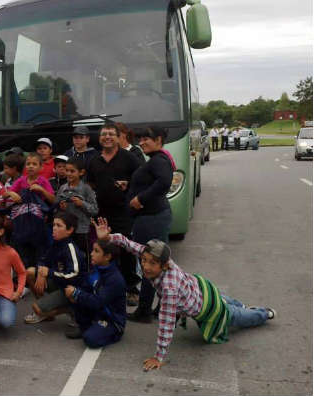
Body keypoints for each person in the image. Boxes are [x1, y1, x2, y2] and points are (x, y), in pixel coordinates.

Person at [93, 217, 276, 371]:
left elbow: (166, 322)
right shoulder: (155, 255)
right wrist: (109, 237)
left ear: (164, 265)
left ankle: (264, 313)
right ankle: (242, 306)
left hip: (208, 306)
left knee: (237, 316)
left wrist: (159, 357)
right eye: (144, 261)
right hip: (201, 288)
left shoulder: (169, 288)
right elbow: (129, 244)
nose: (145, 266)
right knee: (227, 301)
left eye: (152, 263)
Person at [87, 123, 141, 306]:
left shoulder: (129, 158)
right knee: (104, 250)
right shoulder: (94, 160)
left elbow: (142, 179)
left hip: (123, 212)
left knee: (126, 250)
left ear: (119, 138)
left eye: (111, 134)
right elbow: (91, 185)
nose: (107, 137)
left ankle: (131, 288)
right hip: (101, 214)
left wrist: (129, 185)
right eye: (104, 134)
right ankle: (107, 285)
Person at [128, 126, 174, 322]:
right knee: (155, 263)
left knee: (149, 263)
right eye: (141, 138)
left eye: (147, 138)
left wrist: (141, 198)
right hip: (151, 217)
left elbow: (164, 182)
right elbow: (153, 182)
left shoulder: (159, 160)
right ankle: (161, 305)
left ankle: (145, 310)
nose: (142, 142)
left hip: (151, 218)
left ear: (159, 140)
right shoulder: (156, 159)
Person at [24, 211, 85, 324]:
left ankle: (72, 309)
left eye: (59, 225)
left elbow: (74, 274)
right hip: (59, 282)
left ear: (70, 230)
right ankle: (45, 309)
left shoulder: (70, 248)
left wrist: (49, 273)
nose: (54, 228)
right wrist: (42, 271)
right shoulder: (56, 243)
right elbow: (43, 260)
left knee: (36, 309)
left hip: (70, 289)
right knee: (30, 272)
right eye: (54, 225)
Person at [63, 237, 126, 348]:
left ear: (107, 257)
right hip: (98, 312)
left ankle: (115, 332)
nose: (91, 254)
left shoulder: (115, 279)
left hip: (111, 319)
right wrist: (75, 294)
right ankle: (86, 326)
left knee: (90, 339)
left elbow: (98, 302)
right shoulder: (96, 269)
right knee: (76, 294)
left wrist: (77, 294)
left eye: (96, 251)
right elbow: (85, 287)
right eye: (92, 250)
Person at [5, 152, 55, 270]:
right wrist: (12, 193)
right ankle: (26, 280)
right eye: (28, 164)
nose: (31, 166)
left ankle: (39, 276)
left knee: (39, 251)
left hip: (38, 224)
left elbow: (53, 199)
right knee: (24, 252)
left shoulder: (43, 181)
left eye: (34, 164)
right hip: (23, 224)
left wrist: (41, 190)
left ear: (41, 167)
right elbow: (5, 195)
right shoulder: (21, 180)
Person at [55, 158, 98, 259]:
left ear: (81, 172)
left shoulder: (86, 189)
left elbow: (95, 210)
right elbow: (56, 206)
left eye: (72, 171)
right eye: (67, 170)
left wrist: (82, 203)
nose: (69, 174)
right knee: (67, 256)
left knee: (82, 256)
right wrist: (61, 207)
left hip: (82, 230)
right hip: (66, 230)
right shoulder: (62, 188)